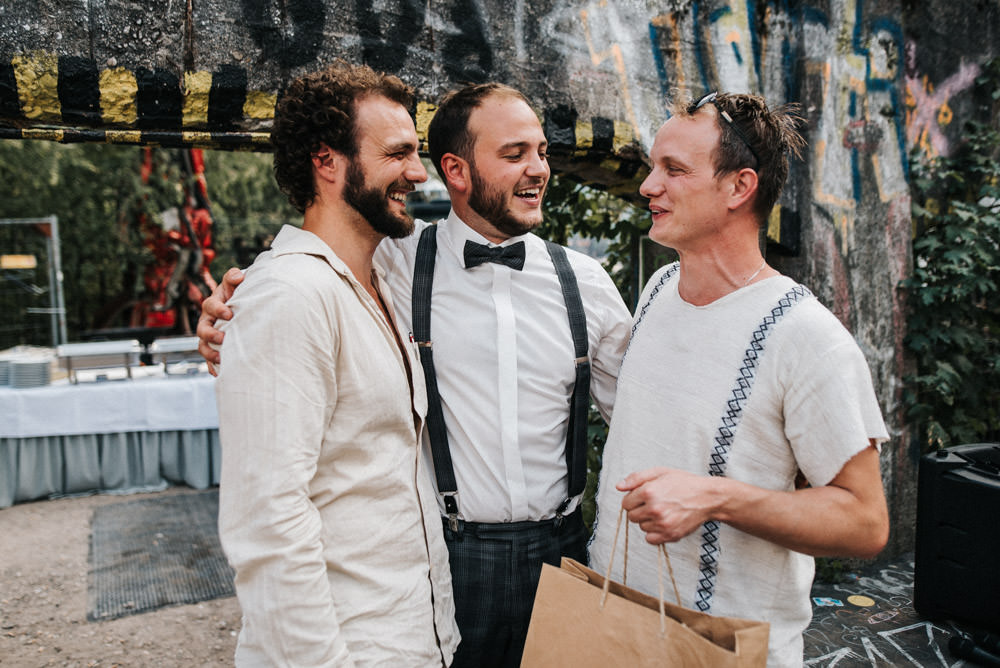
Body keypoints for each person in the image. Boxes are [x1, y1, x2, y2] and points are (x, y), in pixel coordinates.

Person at [199, 82, 632, 667]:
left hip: (562, 550)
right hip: (456, 557)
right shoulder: (395, 261)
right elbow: (302, 274)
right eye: (514, 154)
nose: (538, 170)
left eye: (543, 152)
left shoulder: (585, 281)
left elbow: (637, 417)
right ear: (456, 168)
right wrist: (229, 315)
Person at [588, 92, 890, 668]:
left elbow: (866, 521)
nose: (648, 186)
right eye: (654, 167)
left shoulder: (807, 338)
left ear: (738, 187)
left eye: (673, 170)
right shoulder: (655, 293)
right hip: (610, 626)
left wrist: (715, 497)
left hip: (725, 650)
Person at [212, 61, 458, 666]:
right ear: (327, 162)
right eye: (398, 153)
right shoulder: (289, 295)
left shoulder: (382, 283)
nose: (418, 173)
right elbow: (267, 520)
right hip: (345, 648)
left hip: (416, 640)